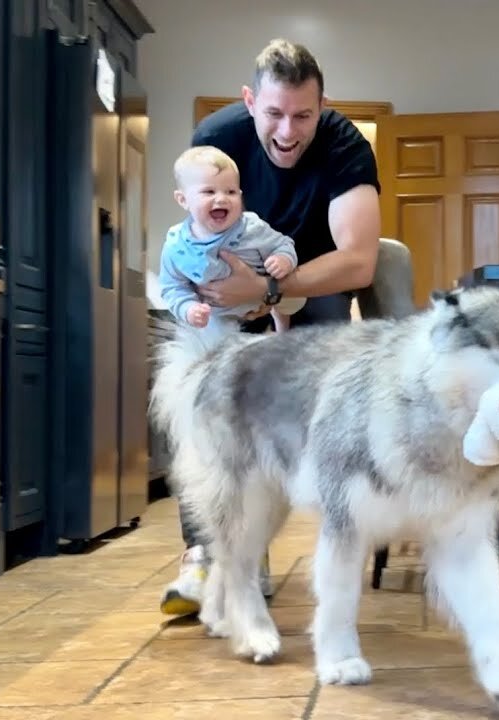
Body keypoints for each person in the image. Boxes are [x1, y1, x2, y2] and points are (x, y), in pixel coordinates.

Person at [159, 37, 382, 617]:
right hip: (225, 287)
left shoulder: (345, 145)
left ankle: (327, 539)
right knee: (203, 397)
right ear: (249, 101)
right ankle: (206, 554)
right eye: (274, 114)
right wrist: (216, 301)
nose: (288, 131)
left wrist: (271, 291)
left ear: (323, 105)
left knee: (316, 401)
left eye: (304, 115)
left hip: (310, 278)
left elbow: (358, 260)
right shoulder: (217, 136)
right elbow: (194, 232)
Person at [157, 145, 306, 332]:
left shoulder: (251, 227)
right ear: (183, 200)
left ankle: (282, 325)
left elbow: (283, 244)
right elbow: (172, 287)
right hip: (218, 311)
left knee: (296, 296)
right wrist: (189, 308)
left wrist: (283, 259)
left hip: (262, 294)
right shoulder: (176, 246)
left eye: (231, 192)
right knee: (213, 346)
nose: (221, 199)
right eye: (209, 192)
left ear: (241, 196)